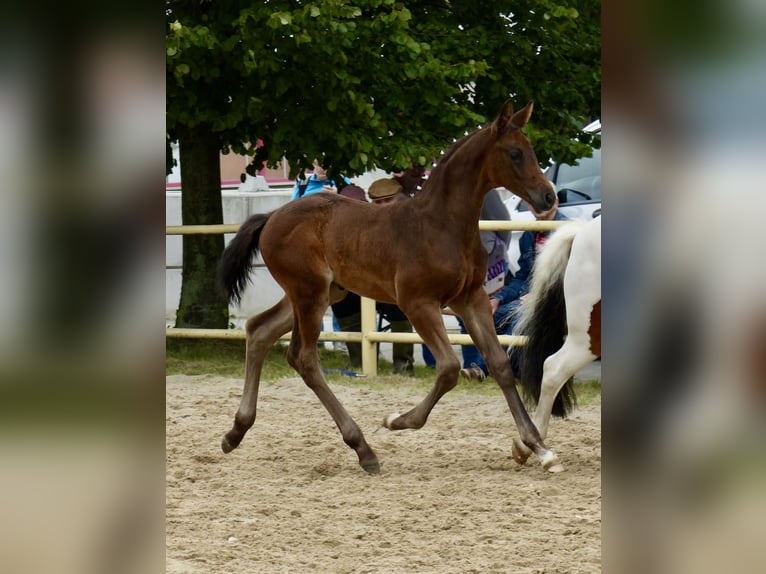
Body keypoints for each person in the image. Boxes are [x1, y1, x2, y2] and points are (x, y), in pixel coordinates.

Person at [460, 194, 567, 381]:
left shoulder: (565, 232)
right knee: (492, 314)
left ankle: (486, 369)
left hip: (555, 299)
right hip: (530, 298)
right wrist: (497, 299)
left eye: (546, 199)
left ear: (556, 202)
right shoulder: (529, 235)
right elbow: (522, 277)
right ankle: (499, 368)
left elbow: (571, 277)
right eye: (534, 202)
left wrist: (539, 297)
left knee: (517, 317)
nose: (538, 205)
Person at [332, 178, 416, 375]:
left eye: (388, 200)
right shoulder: (359, 224)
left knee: (400, 306)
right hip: (362, 284)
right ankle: (361, 364)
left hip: (394, 285)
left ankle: (403, 367)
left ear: (400, 199)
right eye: (378, 202)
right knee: (343, 304)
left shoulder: (411, 222)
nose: (383, 206)